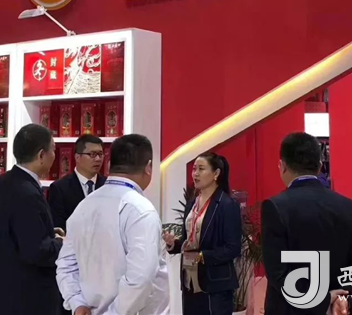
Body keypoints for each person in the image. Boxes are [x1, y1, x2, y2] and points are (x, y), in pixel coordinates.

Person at [262, 133, 352, 315]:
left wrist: (322, 299)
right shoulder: (348, 206)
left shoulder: (275, 207)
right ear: (320, 166)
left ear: (282, 166)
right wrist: (348, 299)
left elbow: (278, 272)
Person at [56, 134, 169, 315]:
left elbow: (66, 263)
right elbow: (141, 278)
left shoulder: (84, 206)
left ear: (109, 164)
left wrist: (77, 302)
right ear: (148, 167)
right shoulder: (140, 210)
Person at [0, 124, 63, 315]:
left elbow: (15, 231)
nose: (54, 156)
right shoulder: (28, 192)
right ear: (41, 155)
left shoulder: (5, 180)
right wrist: (62, 242)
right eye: (53, 150)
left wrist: (49, 231)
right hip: (23, 299)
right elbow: (36, 251)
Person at [163, 153, 242, 315]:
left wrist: (202, 256)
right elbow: (190, 241)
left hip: (215, 285)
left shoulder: (227, 204)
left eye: (201, 169)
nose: (195, 174)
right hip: (189, 281)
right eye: (194, 169)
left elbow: (233, 248)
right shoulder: (192, 202)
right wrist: (174, 244)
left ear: (216, 174)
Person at [48, 134, 107, 232]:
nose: (98, 159)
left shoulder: (108, 185)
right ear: (77, 157)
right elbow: (58, 226)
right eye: (92, 154)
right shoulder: (59, 188)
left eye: (100, 154)